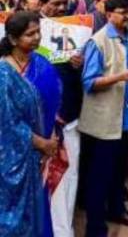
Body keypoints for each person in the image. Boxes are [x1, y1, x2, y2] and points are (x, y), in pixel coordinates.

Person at [79, 0, 128, 236]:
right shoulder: (98, 41)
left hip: (126, 117)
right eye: (123, 12)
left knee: (119, 170)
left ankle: (117, 209)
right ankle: (95, 227)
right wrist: (121, 76)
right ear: (108, 15)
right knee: (100, 175)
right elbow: (89, 82)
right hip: (105, 120)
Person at [0, 12, 60, 237]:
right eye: (29, 34)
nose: (37, 38)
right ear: (14, 39)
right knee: (16, 220)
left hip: (42, 153)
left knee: (40, 210)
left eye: (38, 32)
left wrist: (52, 138)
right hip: (15, 159)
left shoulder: (42, 63)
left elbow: (55, 101)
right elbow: (8, 124)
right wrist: (41, 143)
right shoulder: (4, 74)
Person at [39, 0, 83, 237]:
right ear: (43, 2)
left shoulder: (74, 27)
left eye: (64, 3)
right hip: (41, 123)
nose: (60, 8)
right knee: (45, 181)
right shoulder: (29, 27)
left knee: (69, 176)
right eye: (55, 3)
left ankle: (64, 230)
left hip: (69, 116)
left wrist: (78, 63)